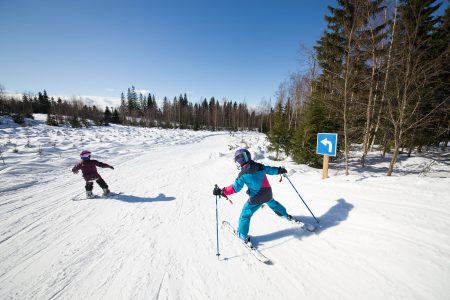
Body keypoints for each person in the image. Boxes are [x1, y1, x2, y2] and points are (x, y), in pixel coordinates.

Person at [213, 148, 298, 246]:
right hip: (268, 194)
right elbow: (271, 170)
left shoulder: (243, 174)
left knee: (245, 215)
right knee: (273, 203)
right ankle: (286, 215)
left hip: (256, 198)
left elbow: (235, 188)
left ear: (239, 161)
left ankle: (242, 235)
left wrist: (222, 191)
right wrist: (280, 170)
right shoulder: (259, 166)